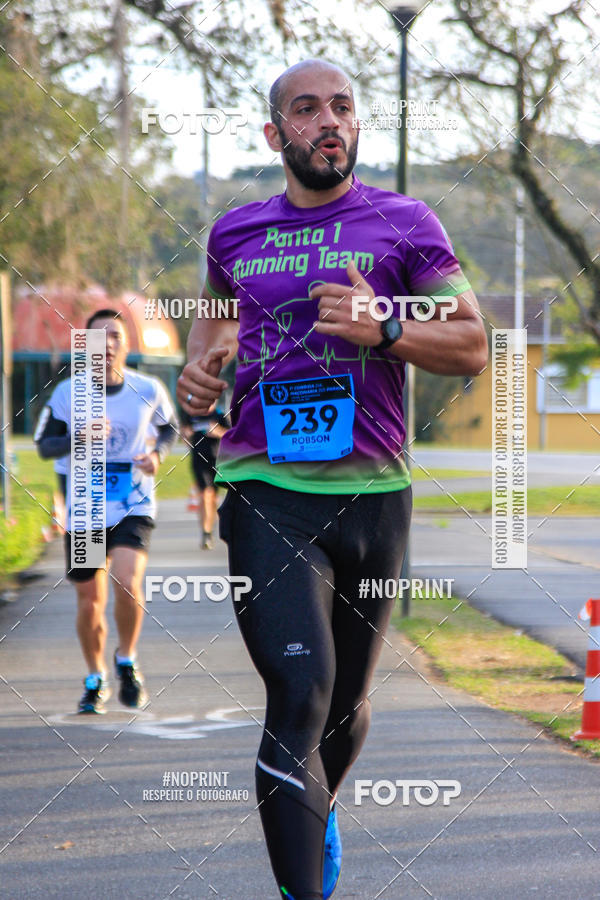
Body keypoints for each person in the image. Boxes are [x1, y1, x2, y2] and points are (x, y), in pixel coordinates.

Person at [177, 59, 488, 900]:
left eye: (342, 108)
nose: (328, 122)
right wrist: (198, 377)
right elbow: (209, 336)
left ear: (358, 125)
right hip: (265, 491)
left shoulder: (405, 222)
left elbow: (471, 345)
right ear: (276, 134)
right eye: (306, 109)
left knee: (344, 711)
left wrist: (383, 327)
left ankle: (320, 809)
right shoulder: (235, 234)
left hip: (375, 498)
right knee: (300, 690)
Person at [36, 308, 177, 714]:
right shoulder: (67, 394)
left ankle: (127, 661)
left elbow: (169, 428)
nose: (107, 344)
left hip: (133, 502)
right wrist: (78, 438)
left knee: (128, 581)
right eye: (98, 337)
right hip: (84, 509)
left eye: (115, 335)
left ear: (126, 344)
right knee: (89, 601)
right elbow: (45, 444)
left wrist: (156, 454)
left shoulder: (148, 389)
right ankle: (95, 676)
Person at [181, 408, 229, 549]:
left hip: (217, 460)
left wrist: (218, 431)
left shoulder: (220, 414)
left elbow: (231, 434)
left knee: (213, 497)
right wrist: (186, 435)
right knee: (205, 494)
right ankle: (205, 532)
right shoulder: (191, 414)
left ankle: (210, 528)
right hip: (199, 460)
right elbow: (184, 435)